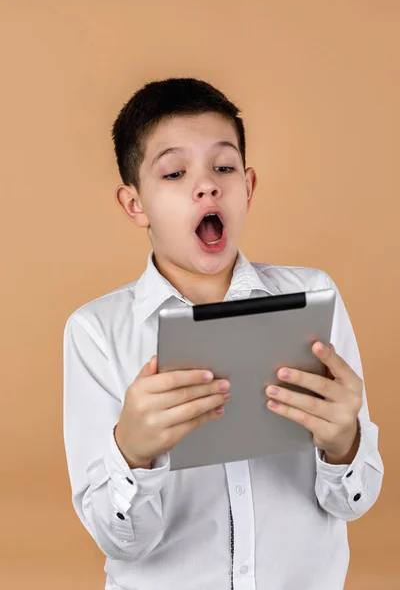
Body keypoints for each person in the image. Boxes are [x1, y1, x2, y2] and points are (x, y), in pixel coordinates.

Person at [63, 77, 384, 590]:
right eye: (173, 172)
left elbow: (354, 500)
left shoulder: (313, 297)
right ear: (134, 205)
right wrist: (132, 453)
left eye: (224, 166)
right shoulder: (96, 332)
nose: (207, 185)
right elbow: (120, 540)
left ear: (248, 187)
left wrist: (346, 443)